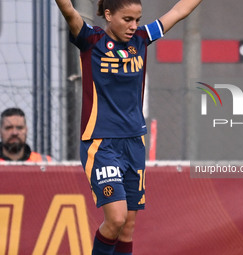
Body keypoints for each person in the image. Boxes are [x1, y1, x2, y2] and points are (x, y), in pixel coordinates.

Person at [55, 0, 202, 254]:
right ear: (109, 15)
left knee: (128, 225)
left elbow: (180, 10)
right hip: (101, 143)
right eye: (127, 20)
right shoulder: (90, 40)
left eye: (137, 19)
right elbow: (68, 9)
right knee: (116, 218)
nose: (134, 26)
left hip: (134, 142)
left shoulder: (142, 39)